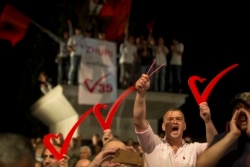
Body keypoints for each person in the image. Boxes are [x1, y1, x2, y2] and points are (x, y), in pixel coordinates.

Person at [133, 74, 218, 167]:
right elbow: (139, 122)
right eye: (170, 119)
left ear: (184, 126)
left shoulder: (194, 149)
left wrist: (208, 121)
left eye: (179, 119)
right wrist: (141, 94)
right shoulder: (153, 144)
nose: (174, 121)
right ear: (163, 126)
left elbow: (216, 146)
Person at [196, 92, 250, 167]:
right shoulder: (222, 138)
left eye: (247, 108)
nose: (241, 112)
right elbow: (201, 165)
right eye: (237, 108)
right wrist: (232, 135)